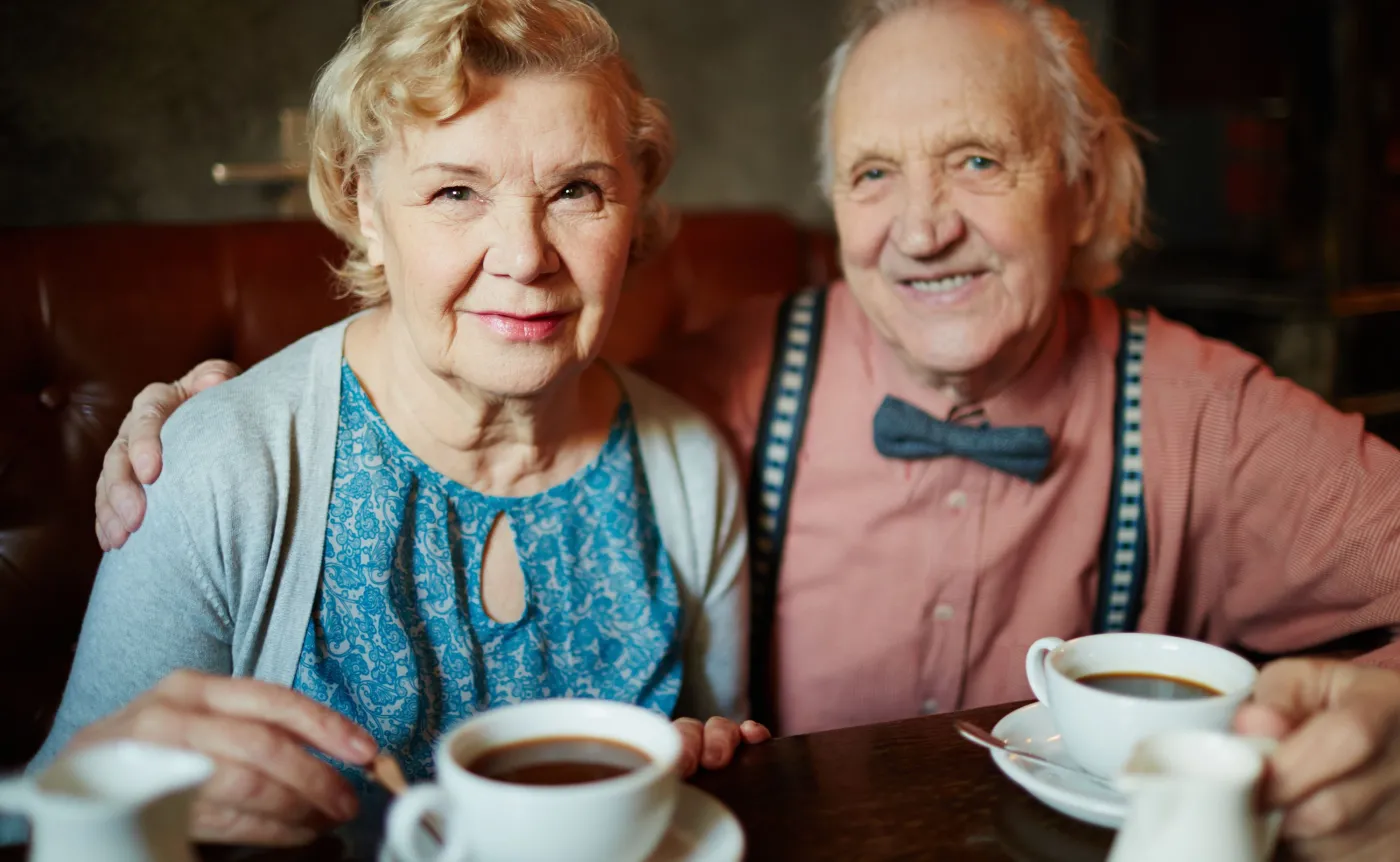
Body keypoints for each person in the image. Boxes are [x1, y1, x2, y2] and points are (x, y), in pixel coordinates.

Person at [96, 0, 1400, 858]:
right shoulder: (726, 391)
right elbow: (68, 795)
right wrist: (200, 431)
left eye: (980, 161)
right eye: (876, 171)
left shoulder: (1202, 416)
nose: (923, 224)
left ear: (1084, 185)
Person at [25, 0, 769, 851]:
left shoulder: (689, 465)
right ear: (367, 209)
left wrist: (701, 758)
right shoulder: (220, 462)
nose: (525, 255)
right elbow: (46, 817)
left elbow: (717, 785)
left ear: (634, 209)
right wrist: (131, 806)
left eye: (577, 190)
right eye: (456, 190)